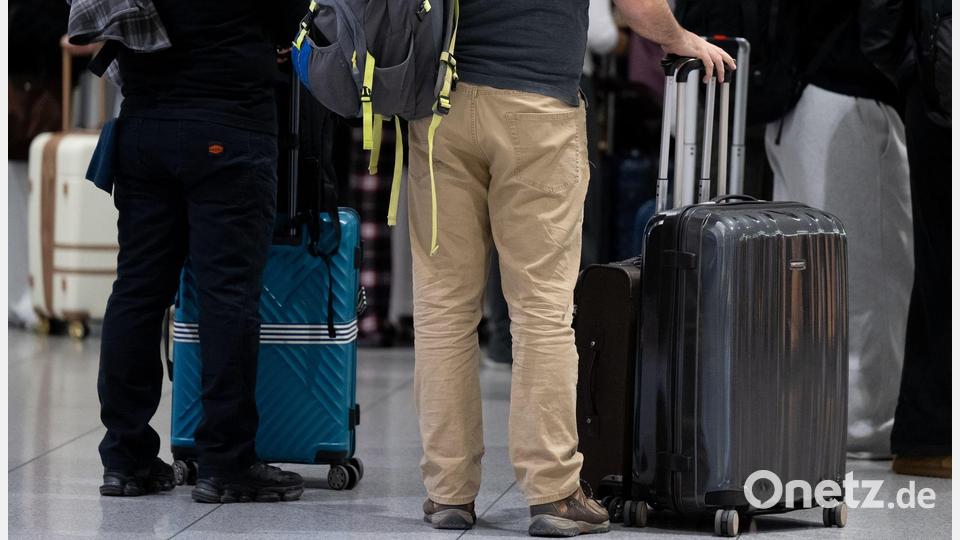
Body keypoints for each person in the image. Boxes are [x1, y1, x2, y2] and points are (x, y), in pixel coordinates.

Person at [405, 0, 734, 535]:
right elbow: (636, 6)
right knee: (541, 310)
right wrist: (677, 38)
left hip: (440, 106)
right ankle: (553, 493)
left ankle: (448, 493)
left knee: (443, 310)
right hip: (537, 111)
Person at [84, 0, 308, 501]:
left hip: (144, 126)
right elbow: (291, 17)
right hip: (229, 126)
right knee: (226, 296)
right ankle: (226, 463)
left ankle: (125, 459)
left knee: (137, 292)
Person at [763, 0, 914, 458]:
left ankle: (804, 417)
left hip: (795, 98)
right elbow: (880, 29)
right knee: (871, 277)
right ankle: (866, 425)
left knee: (801, 280)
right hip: (850, 100)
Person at [862, 0, 952, 478]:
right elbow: (881, 23)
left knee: (940, 264)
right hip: (940, 98)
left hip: (935, 92)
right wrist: (915, 78)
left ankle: (928, 435)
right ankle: (927, 436)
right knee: (940, 265)